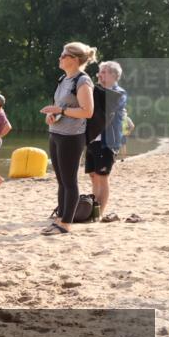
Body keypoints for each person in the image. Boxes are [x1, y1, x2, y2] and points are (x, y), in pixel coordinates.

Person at [39, 42, 96, 235]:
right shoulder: (63, 79)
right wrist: (52, 115)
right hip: (56, 133)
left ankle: (65, 225)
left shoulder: (83, 81)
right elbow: (61, 106)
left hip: (72, 137)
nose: (60, 58)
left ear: (74, 59)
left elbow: (87, 111)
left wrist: (60, 110)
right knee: (61, 181)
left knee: (70, 181)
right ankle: (59, 218)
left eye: (63, 55)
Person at [87, 61, 127, 223]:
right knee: (92, 175)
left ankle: (98, 214)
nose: (99, 75)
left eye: (103, 72)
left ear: (114, 75)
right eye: (99, 72)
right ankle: (94, 209)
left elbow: (106, 110)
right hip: (93, 139)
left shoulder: (119, 93)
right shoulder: (97, 92)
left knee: (102, 176)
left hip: (108, 141)